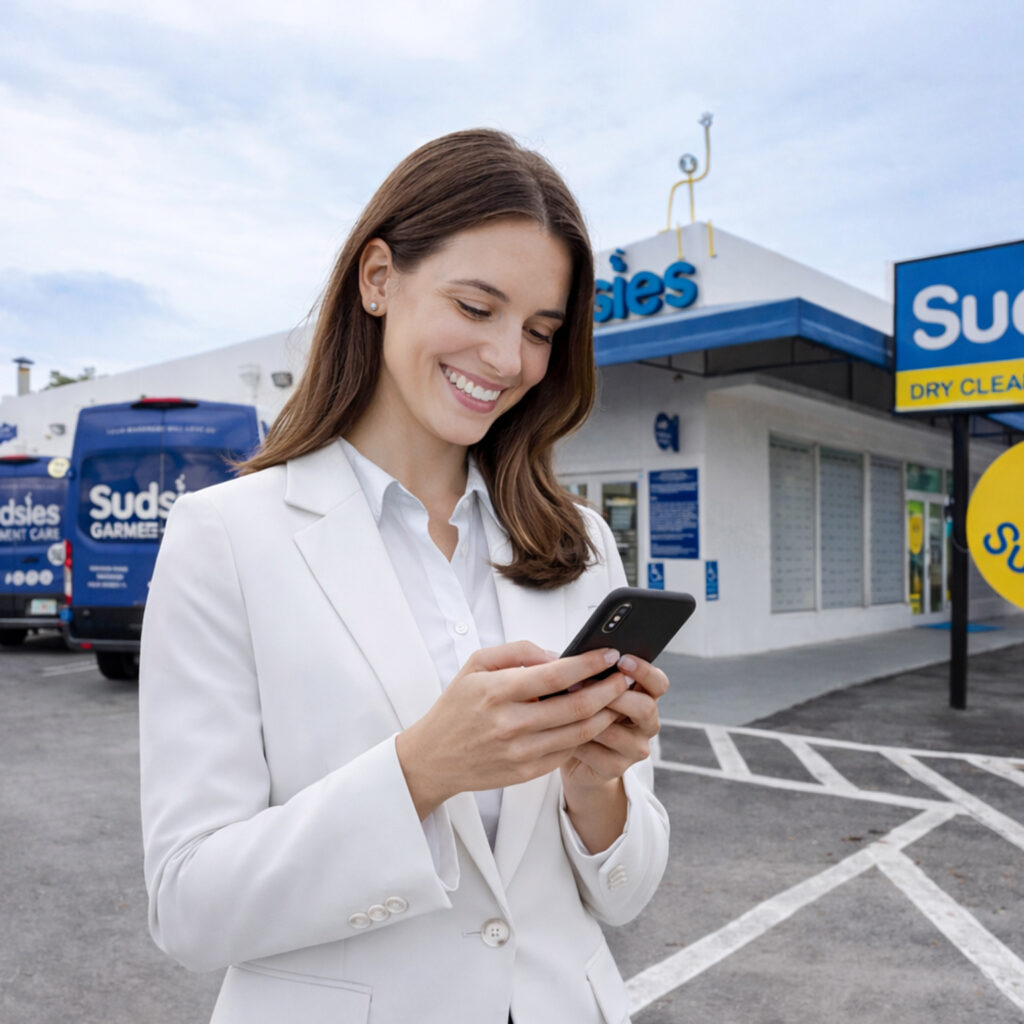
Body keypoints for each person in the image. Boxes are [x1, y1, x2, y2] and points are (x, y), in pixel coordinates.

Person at [139, 128, 671, 1024]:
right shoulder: (225, 537)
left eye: (541, 331)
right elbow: (188, 905)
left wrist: (597, 786)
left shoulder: (578, 542)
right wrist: (420, 771)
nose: (508, 360)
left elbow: (625, 895)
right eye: (476, 308)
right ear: (378, 278)